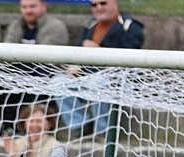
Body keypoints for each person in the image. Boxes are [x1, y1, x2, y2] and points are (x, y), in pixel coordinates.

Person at [57, 0, 144, 136]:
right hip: (90, 78)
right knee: (58, 81)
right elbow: (81, 53)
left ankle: (103, 131)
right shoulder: (90, 25)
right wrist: (75, 68)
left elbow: (130, 61)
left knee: (98, 81)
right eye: (94, 5)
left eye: (103, 3)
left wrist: (100, 51)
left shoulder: (130, 27)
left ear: (115, 3)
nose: (98, 8)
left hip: (120, 83)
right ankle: (80, 126)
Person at [0, 0, 69, 135]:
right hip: (19, 71)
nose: (28, 11)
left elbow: (45, 59)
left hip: (46, 73)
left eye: (32, 6)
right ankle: (10, 126)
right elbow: (7, 53)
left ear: (44, 7)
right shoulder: (16, 25)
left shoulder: (56, 26)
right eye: (24, 7)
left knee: (34, 80)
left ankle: (35, 128)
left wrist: (19, 58)